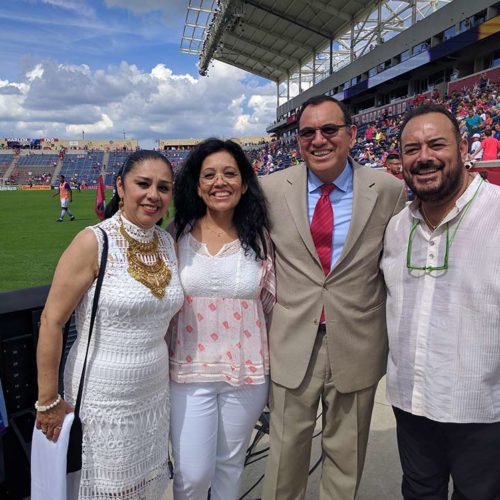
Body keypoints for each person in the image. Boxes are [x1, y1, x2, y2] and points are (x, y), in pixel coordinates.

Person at [260, 95, 405, 499]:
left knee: (345, 461)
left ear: (351, 134)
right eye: (308, 132)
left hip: (357, 343)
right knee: (283, 461)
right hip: (292, 344)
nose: (318, 140)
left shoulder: (389, 190)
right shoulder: (270, 189)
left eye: (329, 130)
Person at [35, 150, 184, 498]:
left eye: (163, 187)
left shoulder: (167, 242)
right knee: (105, 488)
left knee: (146, 485)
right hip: (103, 400)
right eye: (143, 184)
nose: (154, 195)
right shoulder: (93, 241)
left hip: (152, 396)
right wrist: (47, 399)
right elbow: (51, 321)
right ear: (120, 185)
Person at [381, 103, 500, 499]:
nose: (424, 157)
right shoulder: (398, 227)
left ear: (463, 148)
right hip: (412, 403)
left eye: (436, 144)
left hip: (482, 408)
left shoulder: (496, 211)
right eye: (412, 149)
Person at [168, 138, 275, 500]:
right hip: (188, 371)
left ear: (244, 184)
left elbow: (272, 305)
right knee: (193, 475)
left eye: (230, 173)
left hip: (246, 373)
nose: (220, 182)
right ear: (197, 186)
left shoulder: (261, 238)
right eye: (209, 175)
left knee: (230, 467)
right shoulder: (175, 236)